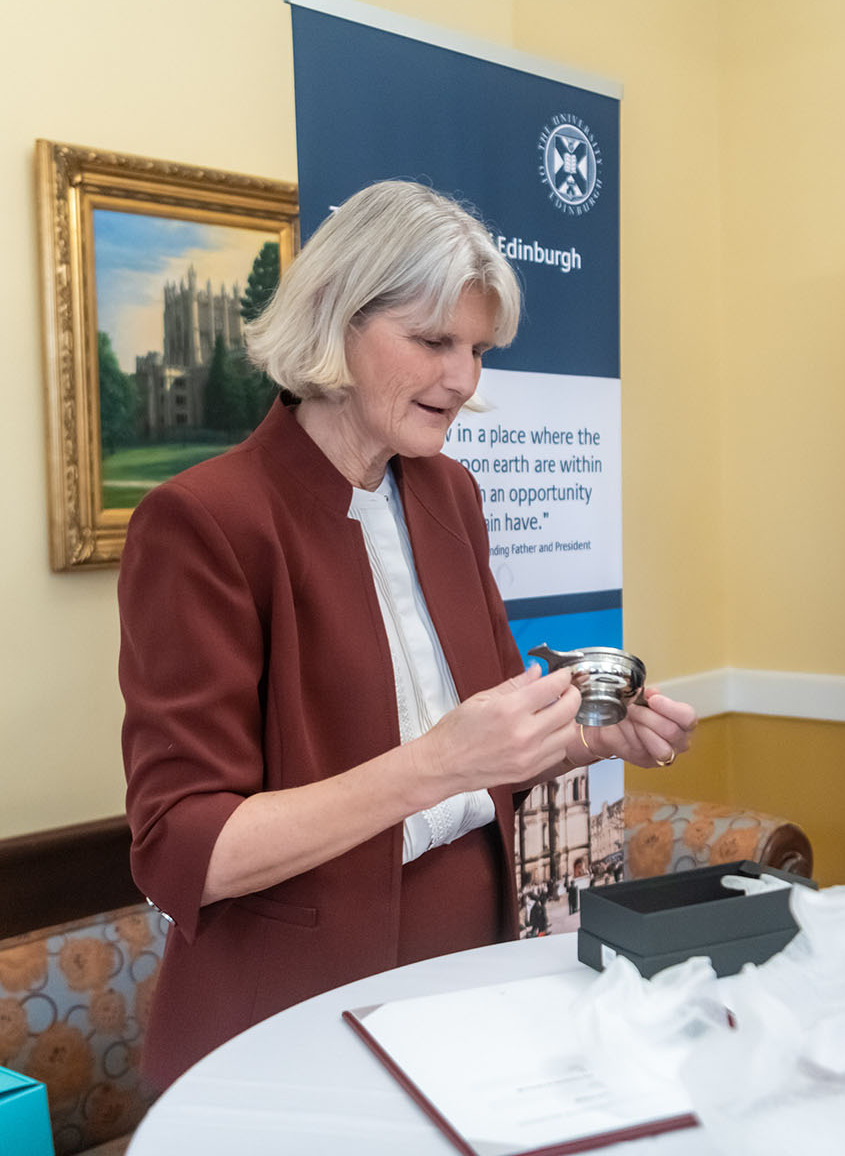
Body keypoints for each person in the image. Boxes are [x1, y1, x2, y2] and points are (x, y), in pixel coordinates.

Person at [119, 180, 697, 1088]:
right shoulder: (204, 521)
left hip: (473, 974)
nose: (463, 380)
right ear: (336, 325)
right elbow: (185, 848)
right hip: (290, 1014)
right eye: (432, 342)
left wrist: (587, 736)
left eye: (476, 350)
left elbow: (484, 749)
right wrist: (438, 762)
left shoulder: (447, 492)